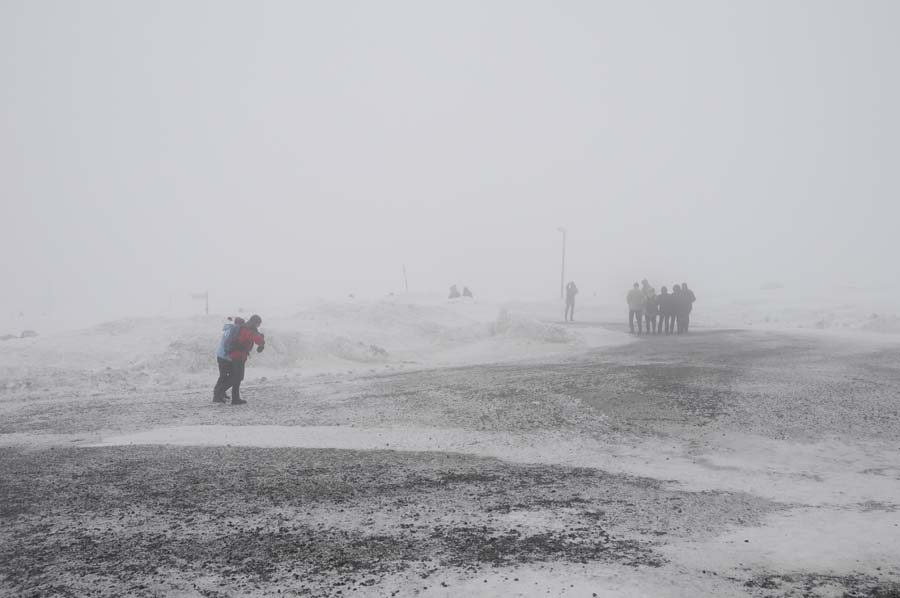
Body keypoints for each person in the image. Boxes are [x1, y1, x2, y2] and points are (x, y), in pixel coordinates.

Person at [213, 314, 265, 405]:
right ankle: (220, 391)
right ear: (255, 322)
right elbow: (255, 338)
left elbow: (254, 336)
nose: (259, 326)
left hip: (238, 354)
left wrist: (260, 338)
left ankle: (235, 398)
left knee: (237, 377)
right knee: (238, 377)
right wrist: (261, 342)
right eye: (258, 324)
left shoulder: (245, 327)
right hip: (238, 355)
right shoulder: (247, 329)